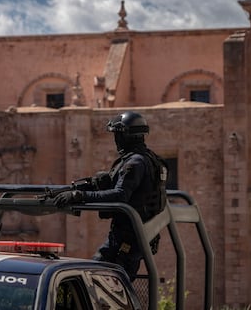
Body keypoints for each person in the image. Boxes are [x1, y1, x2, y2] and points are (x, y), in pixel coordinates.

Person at [53, 111, 168, 281]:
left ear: (126, 135)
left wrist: (79, 195)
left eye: (117, 134)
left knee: (102, 280)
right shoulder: (146, 159)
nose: (116, 139)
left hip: (128, 237)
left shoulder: (135, 162)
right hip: (134, 234)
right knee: (107, 282)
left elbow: (120, 194)